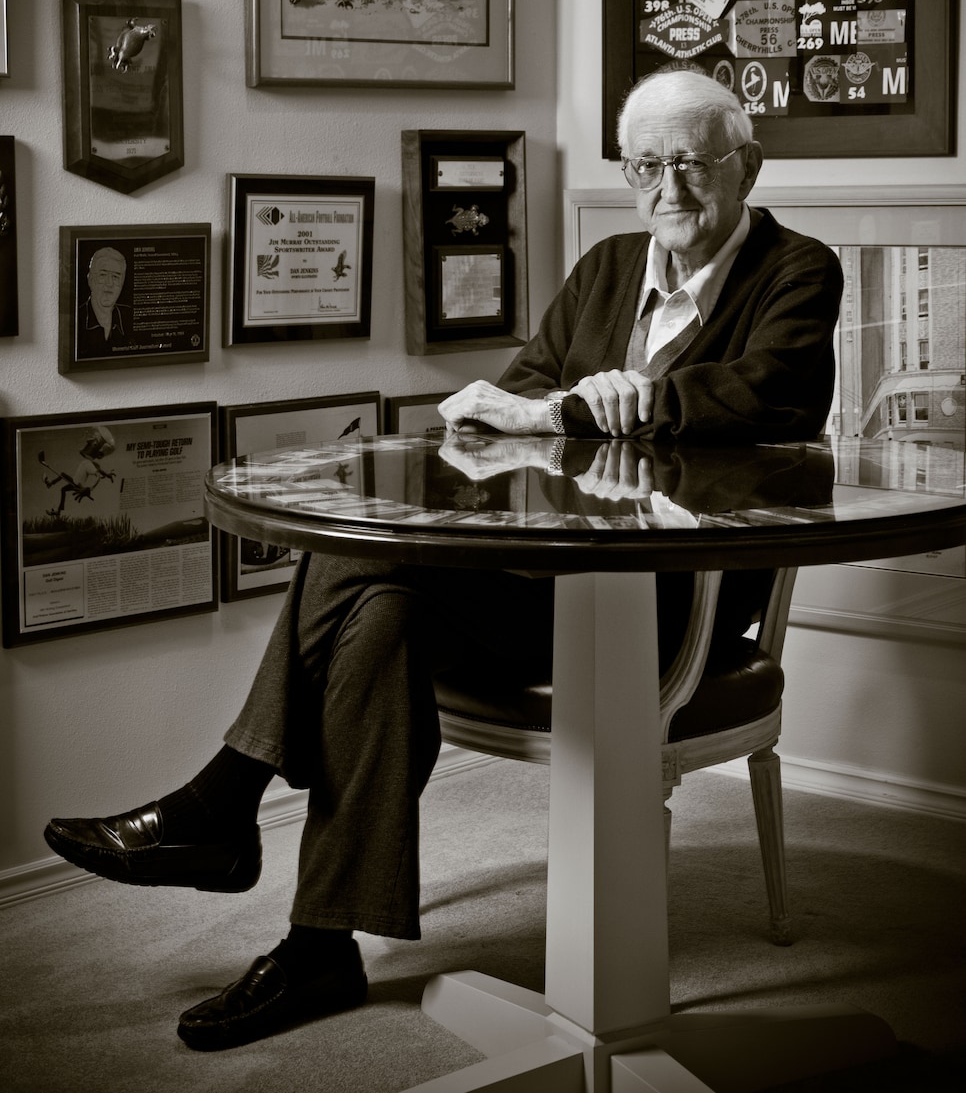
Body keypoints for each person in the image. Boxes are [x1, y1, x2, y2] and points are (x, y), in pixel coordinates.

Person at [43, 68, 843, 1053]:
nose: (667, 191)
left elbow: (767, 397)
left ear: (746, 168)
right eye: (645, 166)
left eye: (692, 164)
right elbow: (517, 403)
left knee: (368, 573)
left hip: (676, 608)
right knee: (378, 602)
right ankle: (318, 945)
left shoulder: (799, 270)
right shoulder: (603, 270)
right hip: (546, 580)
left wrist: (588, 408)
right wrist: (505, 414)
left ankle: (225, 805)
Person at [76, 245, 128, 358]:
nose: (109, 283)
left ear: (122, 284)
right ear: (90, 279)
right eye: (103, 275)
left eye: (115, 277)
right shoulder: (76, 320)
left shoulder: (129, 319)